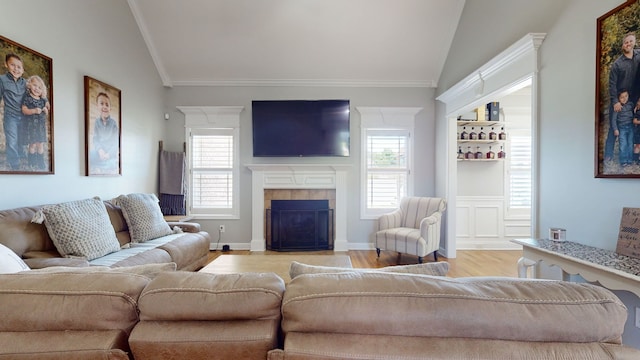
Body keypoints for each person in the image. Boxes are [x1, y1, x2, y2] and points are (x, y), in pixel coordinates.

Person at [605, 33, 640, 162]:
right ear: (622, 45)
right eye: (626, 42)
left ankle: (631, 153)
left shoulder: (638, 56)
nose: (628, 44)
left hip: (633, 98)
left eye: (631, 41)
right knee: (613, 126)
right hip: (619, 99)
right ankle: (608, 153)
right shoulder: (617, 64)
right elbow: (612, 85)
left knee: (632, 125)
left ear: (634, 42)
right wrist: (615, 102)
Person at [0, 54, 26, 170]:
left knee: (22, 138)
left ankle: (21, 155)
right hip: (10, 115)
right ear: (6, 65)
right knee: (12, 140)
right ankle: (14, 164)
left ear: (23, 70)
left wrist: (45, 102)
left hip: (24, 116)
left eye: (19, 67)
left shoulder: (25, 83)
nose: (16, 69)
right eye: (12, 65)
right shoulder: (2, 80)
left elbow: (37, 94)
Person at [21, 75, 50, 170]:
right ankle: (32, 162)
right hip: (31, 127)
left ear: (42, 90)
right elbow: (24, 110)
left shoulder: (43, 100)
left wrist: (46, 109)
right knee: (32, 145)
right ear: (29, 85)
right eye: (34, 85)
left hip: (40, 128)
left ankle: (41, 162)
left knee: (40, 145)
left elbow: (47, 107)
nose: (37, 89)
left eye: (39, 87)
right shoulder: (27, 97)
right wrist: (33, 111)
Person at [89, 92, 119, 174]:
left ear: (110, 109)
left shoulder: (113, 124)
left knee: (112, 164)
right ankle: (100, 165)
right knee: (89, 155)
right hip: (100, 153)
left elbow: (116, 143)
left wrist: (108, 154)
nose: (104, 107)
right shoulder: (97, 122)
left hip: (109, 155)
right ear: (98, 106)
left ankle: (100, 165)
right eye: (102, 103)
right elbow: (95, 139)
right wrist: (100, 150)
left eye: (107, 105)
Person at [610, 89, 634, 166]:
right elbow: (613, 120)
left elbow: (634, 113)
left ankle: (629, 160)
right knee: (623, 144)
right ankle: (623, 161)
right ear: (618, 98)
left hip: (631, 127)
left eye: (626, 96)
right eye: (622, 97)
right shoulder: (618, 107)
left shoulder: (631, 104)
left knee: (630, 144)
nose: (624, 98)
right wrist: (615, 129)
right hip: (622, 128)